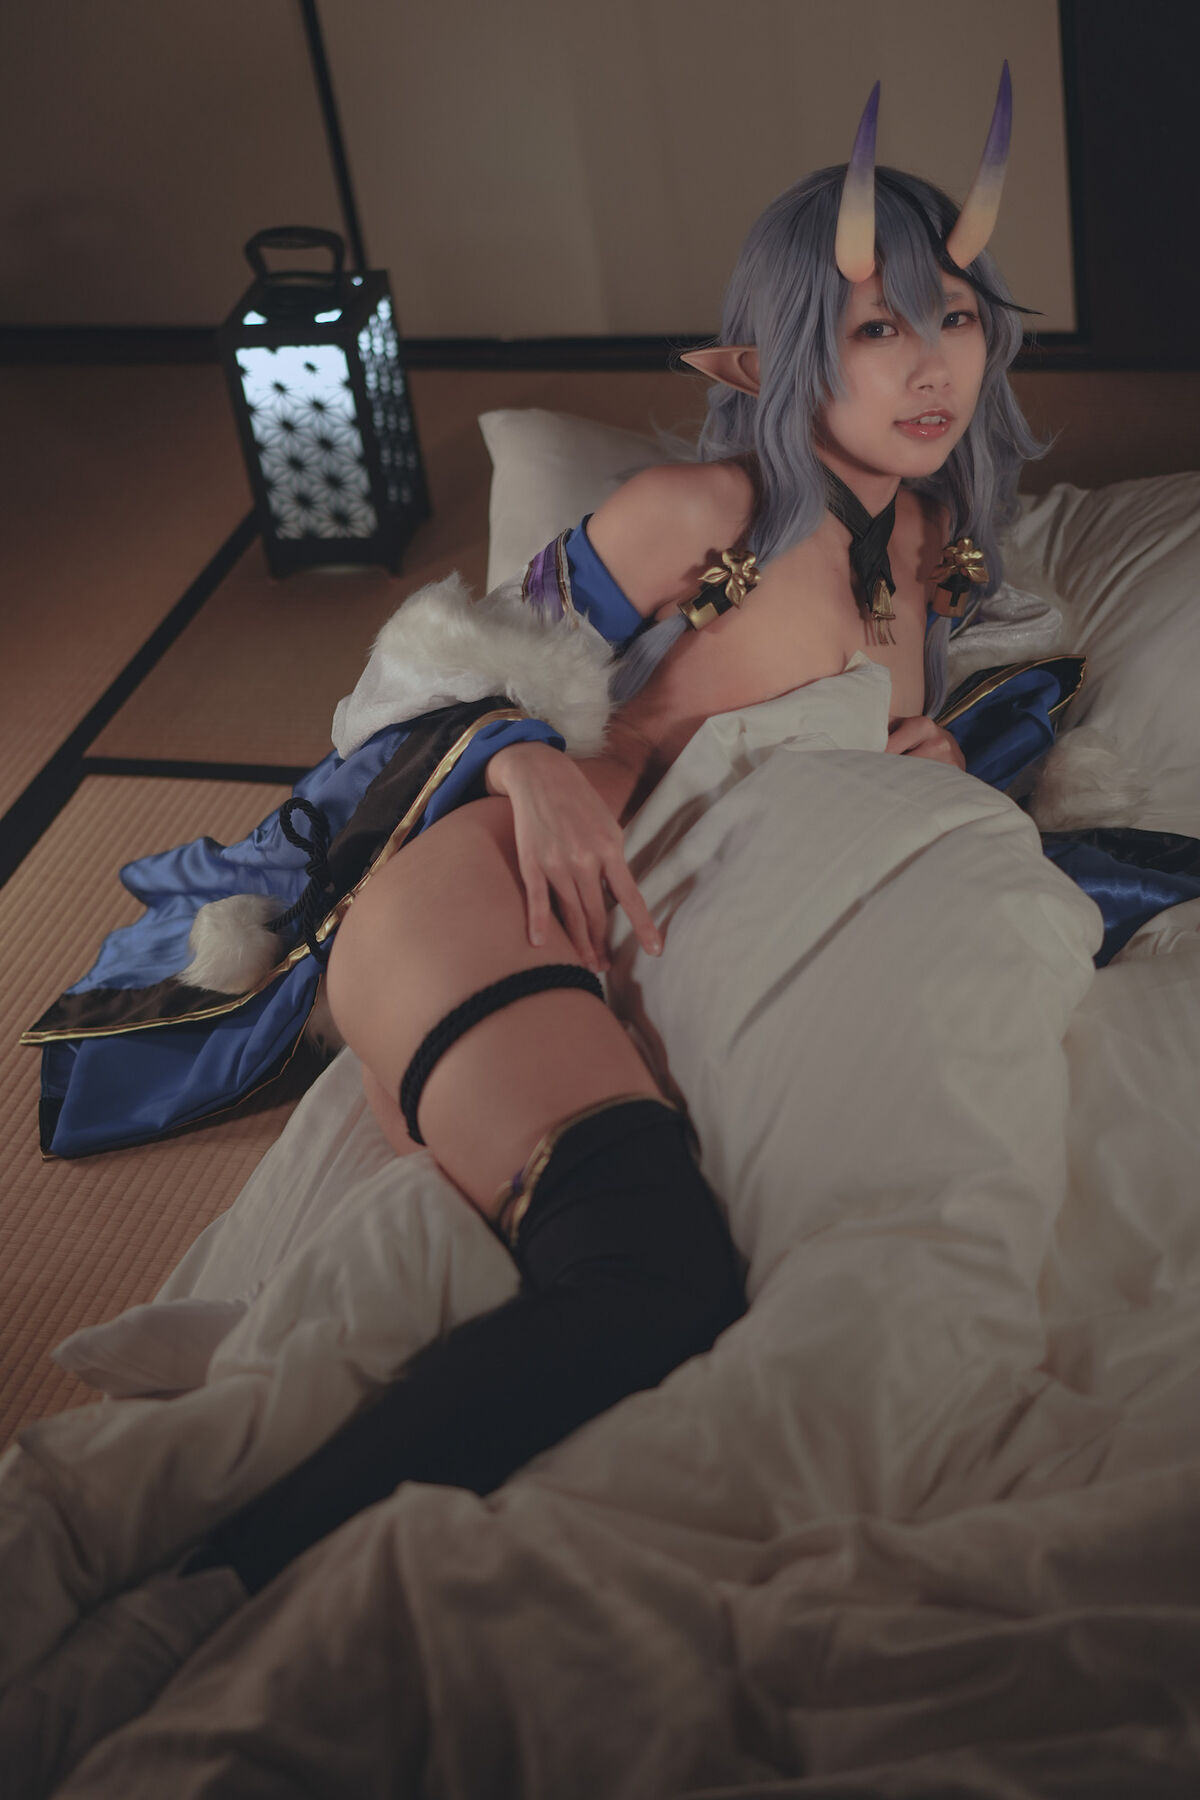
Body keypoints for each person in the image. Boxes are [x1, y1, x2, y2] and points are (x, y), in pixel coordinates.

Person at [4, 65, 1096, 1793]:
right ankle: (172, 1632)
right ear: (771, 357)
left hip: (677, 922)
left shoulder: (933, 543)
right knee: (647, 1271)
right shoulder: (705, 519)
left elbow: (877, 705)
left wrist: (925, 746)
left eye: (952, 319)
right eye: (874, 328)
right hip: (489, 878)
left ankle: (204, 1613)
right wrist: (530, 760)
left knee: (732, 1282)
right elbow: (423, 680)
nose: (929, 365)